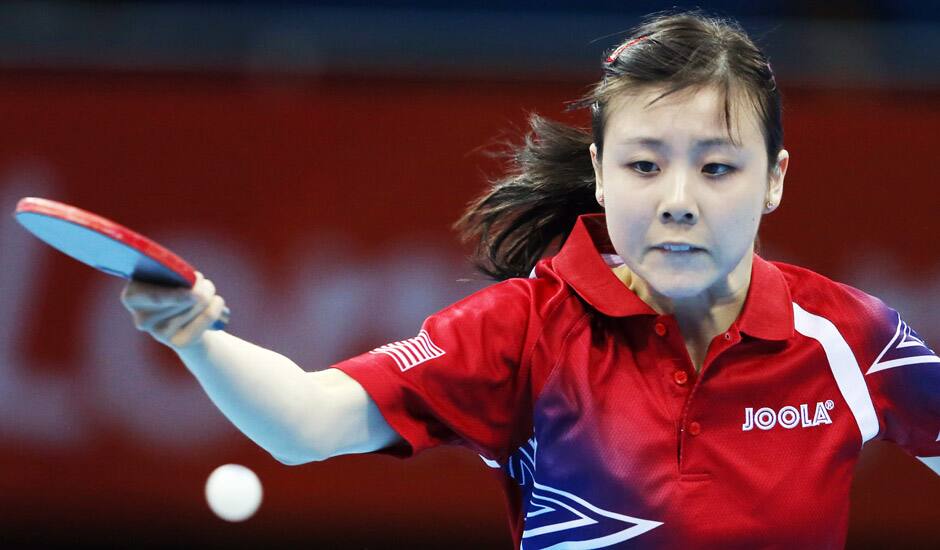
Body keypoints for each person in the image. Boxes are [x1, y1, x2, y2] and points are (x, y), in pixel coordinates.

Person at [121, 10, 939, 549]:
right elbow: (304, 422)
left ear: (775, 179)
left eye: (719, 167)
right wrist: (197, 334)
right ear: (601, 173)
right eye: (645, 165)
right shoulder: (527, 332)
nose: (679, 202)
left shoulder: (847, 337)